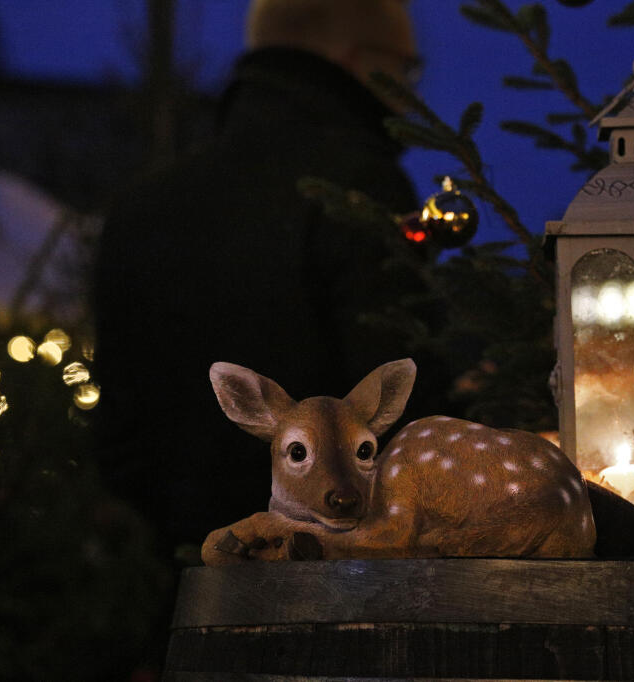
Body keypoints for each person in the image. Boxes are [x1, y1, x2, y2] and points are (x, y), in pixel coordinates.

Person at [93, 0, 435, 558]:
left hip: (183, 568)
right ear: (357, 61)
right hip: (335, 569)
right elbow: (398, 387)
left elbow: (119, 425)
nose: (410, 89)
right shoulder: (356, 187)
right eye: (405, 68)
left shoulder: (142, 204)